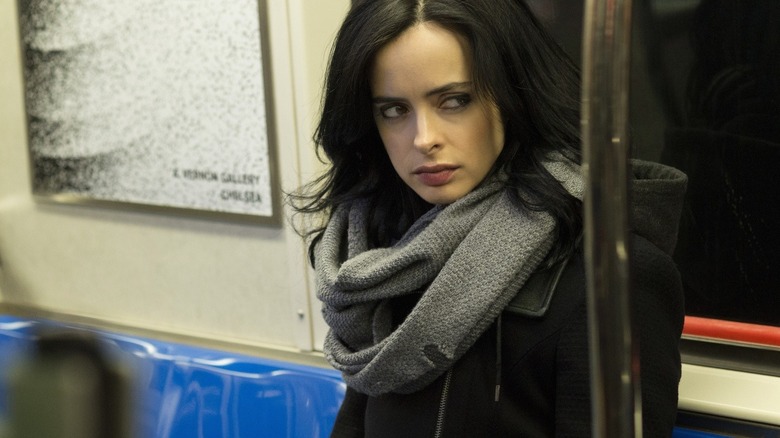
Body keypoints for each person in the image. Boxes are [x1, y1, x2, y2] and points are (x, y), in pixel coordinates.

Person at [290, 0, 687, 436]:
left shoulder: (611, 276)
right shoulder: (386, 258)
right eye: (394, 110)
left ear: (514, 93)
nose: (424, 139)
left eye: (455, 100)